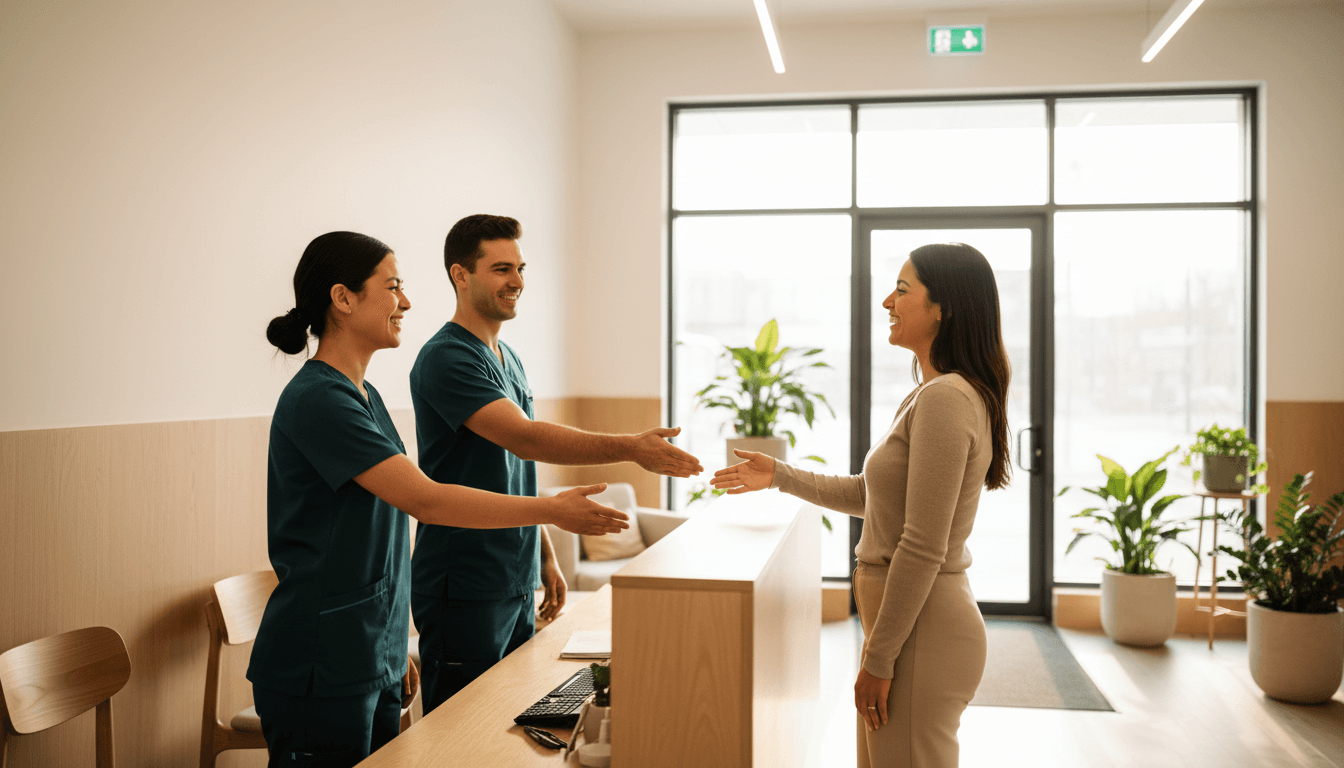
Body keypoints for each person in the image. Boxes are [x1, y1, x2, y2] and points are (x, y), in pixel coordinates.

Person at [248, 231, 629, 768]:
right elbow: (426, 501)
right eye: (393, 287)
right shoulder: (318, 400)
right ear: (343, 298)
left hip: (367, 653)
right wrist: (553, 510)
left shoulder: (363, 395)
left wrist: (390, 648)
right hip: (321, 660)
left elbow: (378, 541)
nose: (405, 302)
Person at [711, 243, 1012, 768]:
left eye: (902, 290)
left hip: (922, 632)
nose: (887, 302)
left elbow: (922, 543)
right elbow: (872, 499)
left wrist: (879, 658)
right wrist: (779, 475)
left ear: (942, 309)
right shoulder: (931, 394)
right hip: (907, 629)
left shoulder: (945, 399)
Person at [410, 214, 704, 714]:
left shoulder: (508, 357)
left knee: (509, 722)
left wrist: (542, 555)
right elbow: (525, 440)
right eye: (501, 269)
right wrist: (632, 446)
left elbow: (513, 471)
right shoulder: (446, 358)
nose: (518, 282)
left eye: (521, 268)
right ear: (460, 275)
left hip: (515, 577)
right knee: (461, 729)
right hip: (465, 584)